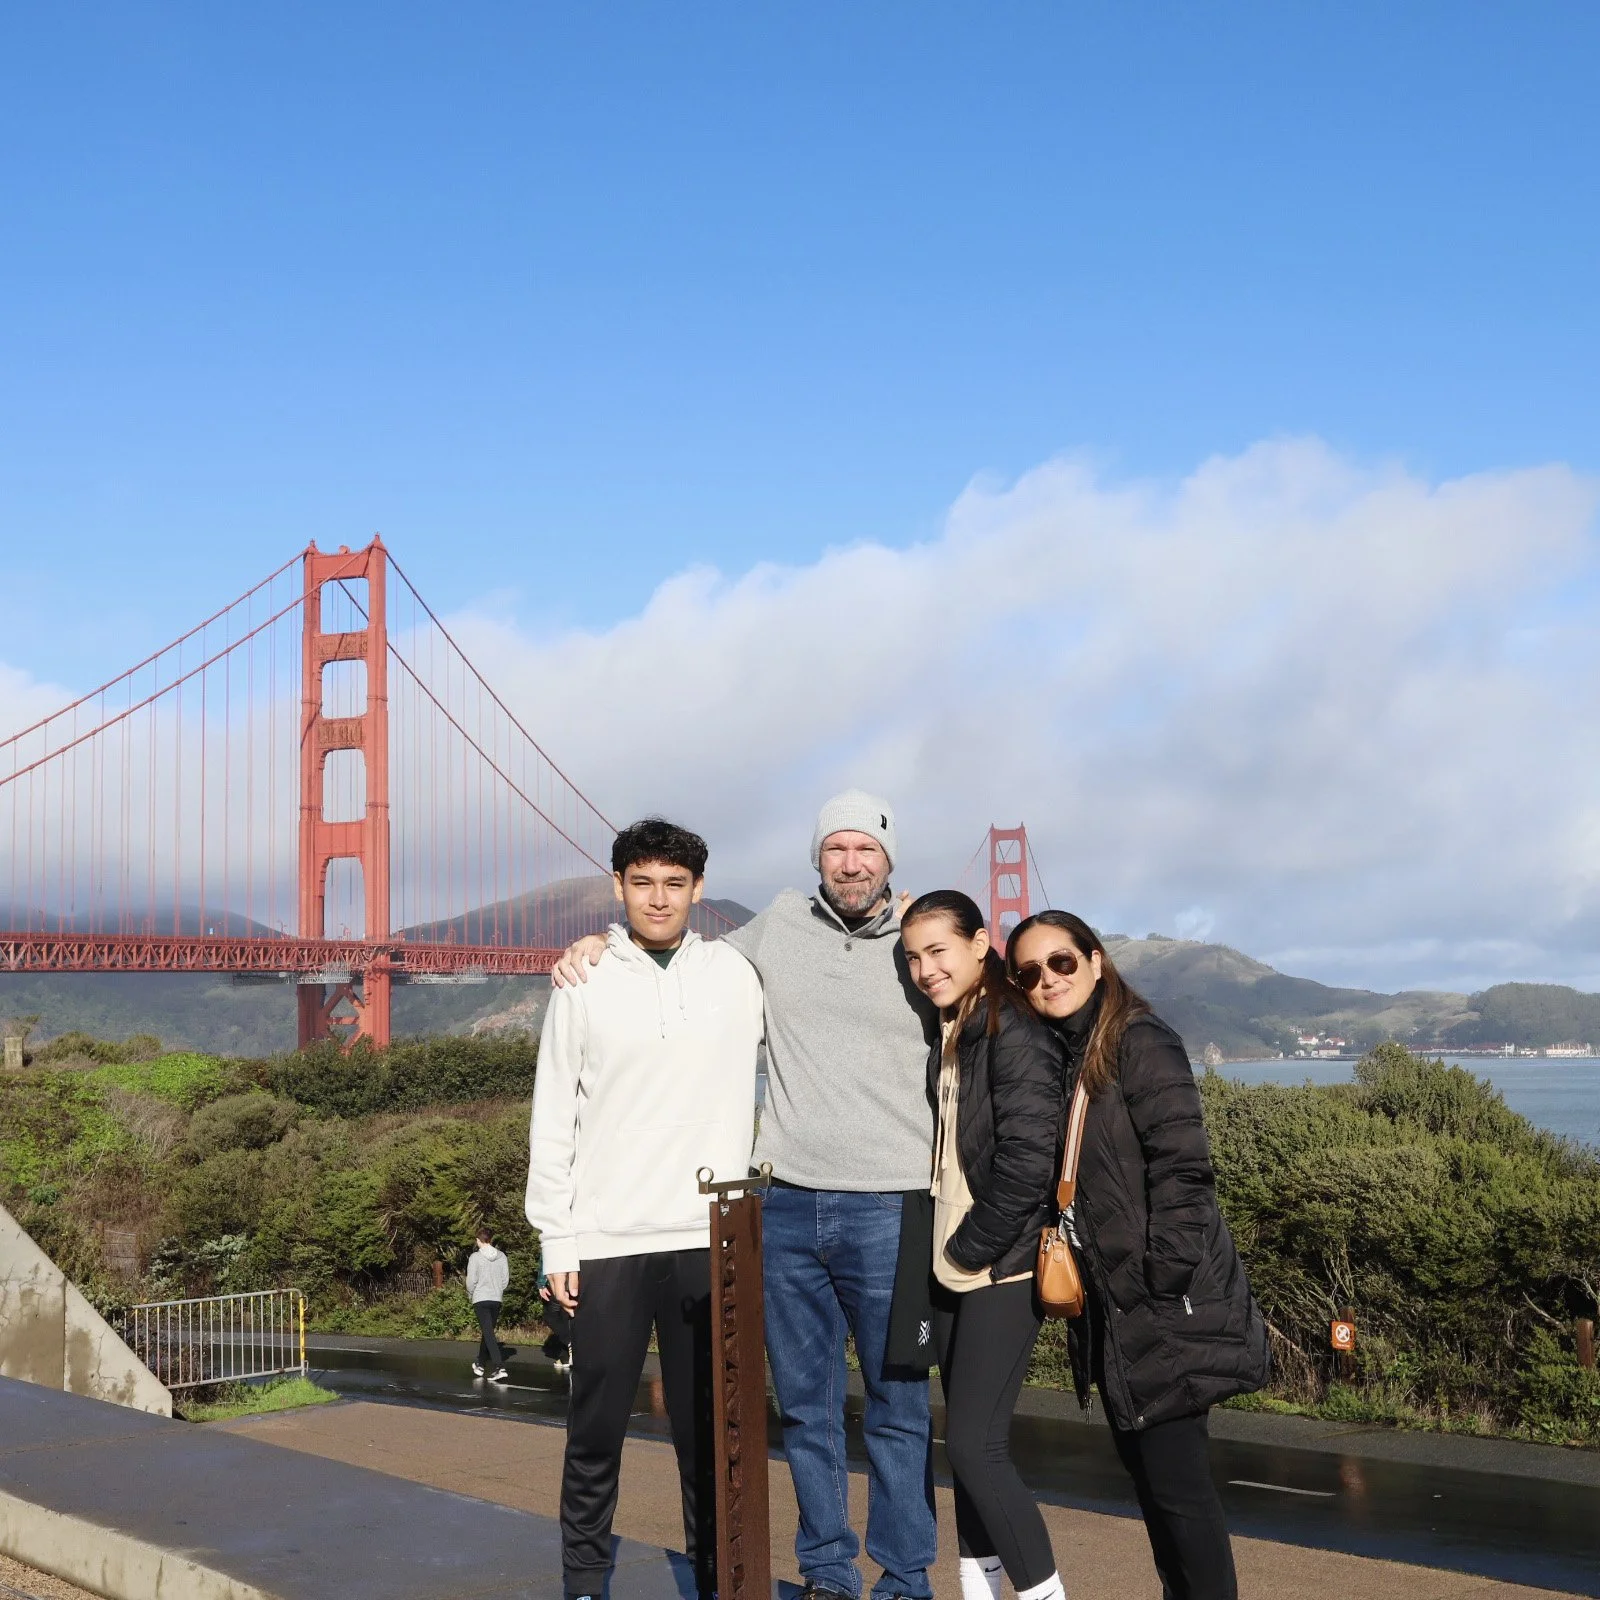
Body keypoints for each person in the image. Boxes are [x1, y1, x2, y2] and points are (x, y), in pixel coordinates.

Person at [556, 790, 939, 1600]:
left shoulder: (916, 942)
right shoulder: (771, 932)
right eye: (835, 848)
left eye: (867, 849)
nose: (851, 863)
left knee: (896, 1408)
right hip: (783, 1205)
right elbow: (661, 959)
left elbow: (987, 1002)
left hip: (884, 1207)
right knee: (801, 1409)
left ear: (890, 860)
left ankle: (904, 1579)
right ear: (816, 858)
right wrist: (595, 945)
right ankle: (828, 1573)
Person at [526, 818, 765, 1600]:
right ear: (618, 887)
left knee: (710, 1437)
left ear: (699, 889)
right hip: (606, 1241)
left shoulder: (738, 973)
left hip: (710, 1239)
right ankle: (584, 1582)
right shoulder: (582, 982)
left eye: (674, 884)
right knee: (595, 1431)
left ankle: (716, 1578)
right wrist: (557, 1239)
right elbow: (553, 1113)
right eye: (642, 883)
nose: (658, 899)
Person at [1005, 910, 1271, 1600]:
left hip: (1160, 1306)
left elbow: (1184, 1170)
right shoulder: (1066, 1053)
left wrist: (1163, 1278)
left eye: (1061, 961)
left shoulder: (1139, 1041)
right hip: (1116, 1311)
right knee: (1157, 1496)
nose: (1046, 979)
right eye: (1028, 973)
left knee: (1180, 1498)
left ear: (1096, 961)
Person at [899, 891, 1067, 1600]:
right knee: (965, 1451)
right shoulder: (958, 1021)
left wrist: (971, 1250)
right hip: (953, 1259)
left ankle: (1043, 1594)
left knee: (977, 1445)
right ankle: (979, 1589)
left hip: (999, 1263)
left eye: (938, 950)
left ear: (979, 945)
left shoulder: (1013, 1029)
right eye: (912, 957)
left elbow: (1029, 1163)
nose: (924, 970)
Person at [466, 1227, 510, 1382]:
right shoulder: (502, 1256)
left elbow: (471, 1280)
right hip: (496, 1299)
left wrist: (471, 1293)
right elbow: (505, 1279)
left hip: (481, 1298)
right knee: (488, 1331)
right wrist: (498, 1290)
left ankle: (499, 1366)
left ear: (479, 1240)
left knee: (488, 1332)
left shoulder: (475, 1257)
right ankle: (480, 1363)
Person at [538, 1268, 573, 1371]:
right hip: (573, 1282)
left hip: (557, 1280)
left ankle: (570, 1342)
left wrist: (541, 1284)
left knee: (549, 1316)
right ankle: (565, 1357)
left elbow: (545, 1261)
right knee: (564, 1319)